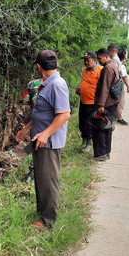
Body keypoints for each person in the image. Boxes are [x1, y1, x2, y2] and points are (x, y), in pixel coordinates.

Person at [26, 49, 70, 229]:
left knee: (49, 180)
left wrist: (45, 134)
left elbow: (64, 114)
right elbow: (43, 112)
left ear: (38, 66)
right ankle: (42, 211)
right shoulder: (47, 83)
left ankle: (48, 219)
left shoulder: (57, 85)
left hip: (49, 142)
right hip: (40, 141)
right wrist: (26, 128)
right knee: (41, 178)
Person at [92, 48, 120, 161]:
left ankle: (101, 153)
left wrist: (101, 105)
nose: (99, 61)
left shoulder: (108, 68)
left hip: (107, 104)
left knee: (100, 128)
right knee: (108, 128)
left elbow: (105, 88)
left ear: (106, 56)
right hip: (112, 103)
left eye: (99, 58)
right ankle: (106, 152)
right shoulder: (113, 65)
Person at [16, 78, 42, 181]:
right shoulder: (56, 83)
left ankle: (33, 172)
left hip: (36, 123)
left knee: (35, 147)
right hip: (51, 125)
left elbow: (25, 101)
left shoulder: (32, 84)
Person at [75, 51, 102, 152]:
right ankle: (84, 141)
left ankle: (90, 143)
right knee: (82, 122)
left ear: (94, 60)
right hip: (83, 101)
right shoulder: (85, 70)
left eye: (88, 60)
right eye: (85, 60)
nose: (86, 62)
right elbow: (83, 82)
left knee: (89, 123)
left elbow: (103, 87)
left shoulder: (100, 70)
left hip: (92, 102)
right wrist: (79, 88)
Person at [115, 50, 129, 125]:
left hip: (113, 86)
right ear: (124, 57)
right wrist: (128, 86)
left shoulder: (115, 64)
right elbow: (124, 77)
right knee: (120, 102)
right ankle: (119, 117)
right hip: (119, 87)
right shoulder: (121, 66)